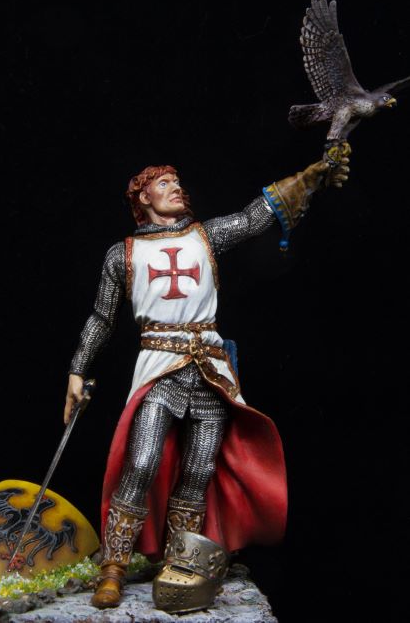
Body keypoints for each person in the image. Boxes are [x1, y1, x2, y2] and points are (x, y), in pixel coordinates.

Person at [64, 156, 349, 609]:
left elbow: (253, 217)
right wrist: (78, 370)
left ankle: (180, 563)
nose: (177, 187)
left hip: (211, 371)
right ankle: (113, 567)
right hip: (161, 365)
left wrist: (310, 177)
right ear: (143, 196)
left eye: (177, 181)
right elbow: (102, 318)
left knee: (199, 472)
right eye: (165, 183)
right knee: (142, 462)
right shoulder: (124, 254)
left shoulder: (205, 235)